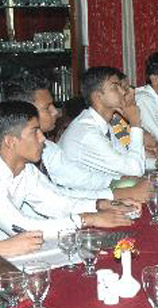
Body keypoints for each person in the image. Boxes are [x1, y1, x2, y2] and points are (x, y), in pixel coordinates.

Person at [3, 72, 152, 203]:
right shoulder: (86, 131)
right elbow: (55, 199)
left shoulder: (48, 148)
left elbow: (80, 178)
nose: (56, 112)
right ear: (25, 111)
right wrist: (116, 194)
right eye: (47, 107)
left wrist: (117, 182)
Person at [0, 101, 133, 240]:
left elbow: (55, 203)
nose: (42, 138)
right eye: (35, 132)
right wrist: (87, 219)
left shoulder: (27, 170)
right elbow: (22, 228)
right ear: (10, 141)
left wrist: (101, 205)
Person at [59, 66, 146, 187]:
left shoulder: (103, 124)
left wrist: (157, 163)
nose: (123, 92)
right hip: (76, 195)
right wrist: (135, 124)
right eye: (115, 87)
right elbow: (135, 171)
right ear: (97, 97)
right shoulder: (87, 132)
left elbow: (125, 157)